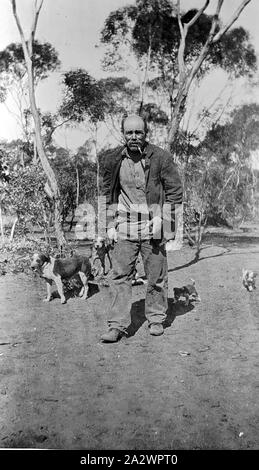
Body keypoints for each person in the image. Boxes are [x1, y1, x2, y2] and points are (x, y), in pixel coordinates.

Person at [100, 114, 182, 342]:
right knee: (119, 276)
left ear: (146, 134)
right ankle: (117, 324)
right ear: (123, 134)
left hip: (152, 224)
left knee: (156, 275)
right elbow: (105, 194)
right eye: (129, 133)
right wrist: (108, 225)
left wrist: (163, 221)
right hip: (124, 224)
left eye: (138, 132)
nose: (134, 137)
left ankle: (156, 318)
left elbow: (175, 192)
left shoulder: (161, 158)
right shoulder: (111, 159)